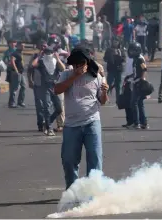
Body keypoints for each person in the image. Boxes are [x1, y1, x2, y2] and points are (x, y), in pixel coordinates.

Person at [54, 46, 109, 189]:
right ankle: (72, 190)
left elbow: (102, 101)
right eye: (75, 64)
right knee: (69, 160)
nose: (78, 66)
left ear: (87, 62)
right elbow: (57, 90)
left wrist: (104, 93)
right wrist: (75, 75)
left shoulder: (96, 76)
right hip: (72, 125)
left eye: (81, 63)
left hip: (92, 122)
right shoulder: (66, 75)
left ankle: (93, 191)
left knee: (95, 159)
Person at [31, 38, 65, 136]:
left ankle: (48, 122)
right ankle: (49, 128)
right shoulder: (41, 62)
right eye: (47, 53)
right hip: (45, 87)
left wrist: (57, 58)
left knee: (59, 108)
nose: (49, 55)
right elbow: (33, 65)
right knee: (46, 107)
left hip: (55, 86)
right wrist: (40, 56)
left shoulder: (55, 61)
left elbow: (63, 68)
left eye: (50, 53)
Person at [126, 42, 149, 129]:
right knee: (139, 103)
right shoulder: (135, 60)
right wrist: (129, 77)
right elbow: (136, 72)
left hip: (139, 83)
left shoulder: (140, 59)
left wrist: (141, 80)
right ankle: (144, 122)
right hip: (136, 82)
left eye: (132, 51)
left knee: (134, 103)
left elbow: (144, 69)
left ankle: (137, 123)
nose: (130, 52)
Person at [28, 41, 47, 131]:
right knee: (39, 105)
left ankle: (47, 123)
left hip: (48, 85)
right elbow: (30, 67)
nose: (43, 48)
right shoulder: (35, 56)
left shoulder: (50, 56)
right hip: (38, 84)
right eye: (42, 46)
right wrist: (30, 80)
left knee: (48, 105)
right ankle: (40, 124)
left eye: (45, 46)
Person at [103, 37, 126, 102]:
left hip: (118, 69)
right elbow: (105, 58)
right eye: (114, 41)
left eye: (116, 41)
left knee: (118, 85)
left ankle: (118, 99)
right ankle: (104, 97)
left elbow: (124, 59)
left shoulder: (121, 50)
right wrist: (108, 59)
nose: (115, 43)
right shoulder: (109, 49)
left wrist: (119, 57)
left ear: (119, 42)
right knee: (108, 84)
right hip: (111, 69)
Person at [9, 42, 26, 108]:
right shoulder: (15, 53)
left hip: (21, 73)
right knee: (15, 88)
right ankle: (11, 103)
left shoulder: (21, 53)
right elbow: (12, 61)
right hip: (16, 73)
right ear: (18, 46)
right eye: (22, 46)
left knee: (23, 87)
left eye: (24, 46)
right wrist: (16, 71)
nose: (23, 47)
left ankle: (20, 102)